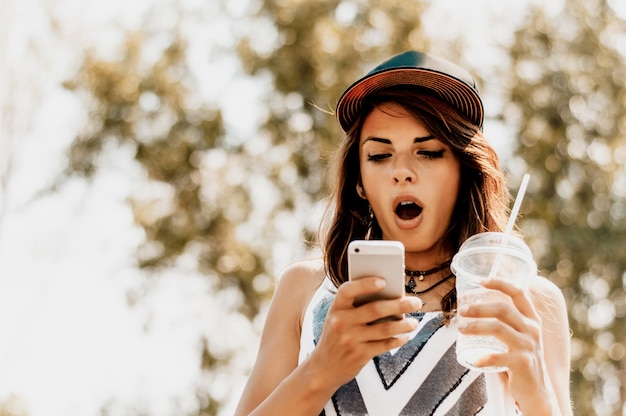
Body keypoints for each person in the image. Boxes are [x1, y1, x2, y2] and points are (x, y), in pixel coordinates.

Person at [234, 50, 572, 415]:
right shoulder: (305, 289)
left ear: (465, 171)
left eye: (427, 152)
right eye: (379, 156)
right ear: (359, 183)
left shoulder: (527, 300)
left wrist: (536, 390)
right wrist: (321, 371)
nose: (402, 171)